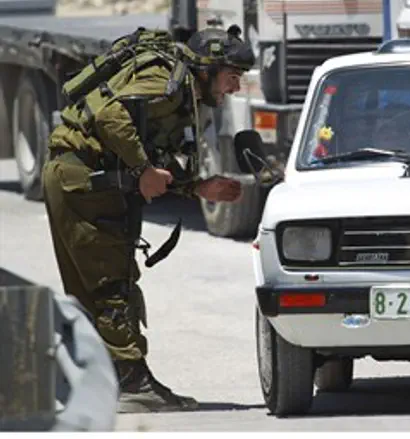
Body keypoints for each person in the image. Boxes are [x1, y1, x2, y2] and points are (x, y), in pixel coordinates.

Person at [42, 24, 255, 413]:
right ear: (207, 70)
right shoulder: (165, 81)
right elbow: (109, 116)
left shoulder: (181, 91)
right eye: (232, 77)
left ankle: (101, 382)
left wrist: (197, 187)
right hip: (84, 182)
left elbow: (156, 157)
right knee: (111, 286)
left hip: (82, 180)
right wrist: (142, 169)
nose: (235, 87)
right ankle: (132, 383)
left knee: (93, 290)